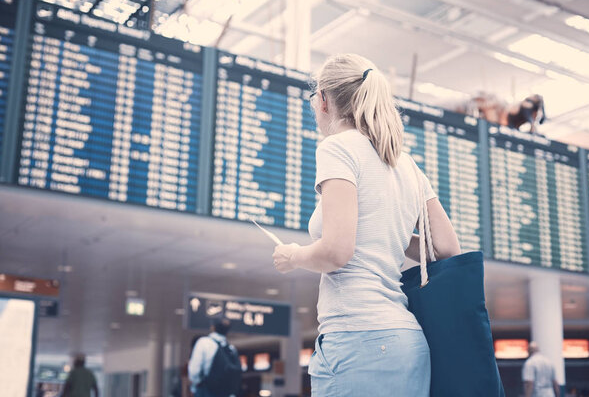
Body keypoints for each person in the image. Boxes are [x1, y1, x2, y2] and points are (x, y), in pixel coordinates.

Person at [271, 53, 461, 396]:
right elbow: (448, 249)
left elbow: (336, 253)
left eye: (314, 98)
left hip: (358, 337)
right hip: (408, 343)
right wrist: (389, 233)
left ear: (325, 101)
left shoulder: (337, 148)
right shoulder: (405, 163)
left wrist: (293, 255)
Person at [188, 318, 241, 397]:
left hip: (207, 391)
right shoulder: (231, 348)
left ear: (213, 328)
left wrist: (196, 385)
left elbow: (194, 371)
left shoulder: (204, 342)